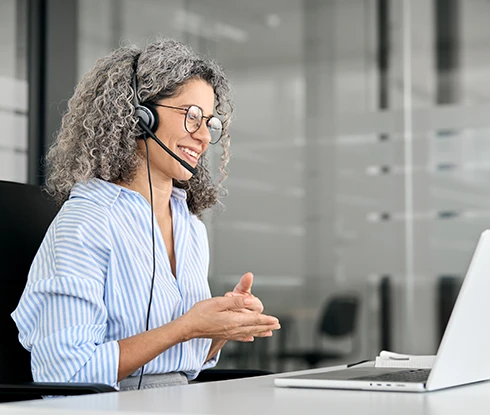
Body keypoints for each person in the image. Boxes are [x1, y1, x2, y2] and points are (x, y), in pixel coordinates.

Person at [11, 37, 280, 391]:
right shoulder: (86, 223)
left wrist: (219, 328)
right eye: (191, 117)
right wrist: (188, 326)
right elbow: (64, 375)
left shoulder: (190, 227)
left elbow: (185, 366)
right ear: (139, 117)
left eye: (209, 123)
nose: (202, 136)